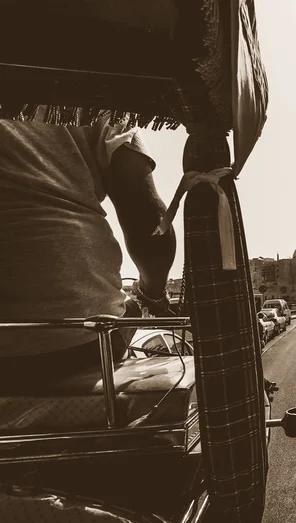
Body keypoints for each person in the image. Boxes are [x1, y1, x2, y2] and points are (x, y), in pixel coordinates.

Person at [0, 107, 176, 389]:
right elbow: (150, 223)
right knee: (130, 310)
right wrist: (151, 294)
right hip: (82, 339)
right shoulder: (95, 96)